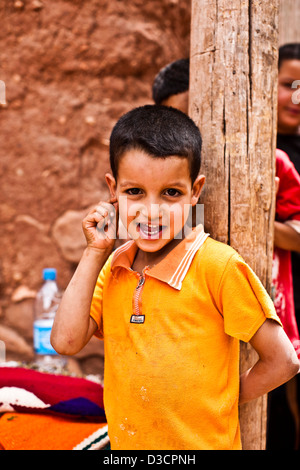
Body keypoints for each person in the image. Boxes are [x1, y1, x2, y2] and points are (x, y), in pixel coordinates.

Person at [51, 105, 299, 450]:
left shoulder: (218, 266)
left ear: (195, 191)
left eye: (171, 193)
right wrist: (95, 251)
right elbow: (65, 342)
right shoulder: (114, 268)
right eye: (134, 192)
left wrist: (219, 397)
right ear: (113, 189)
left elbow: (283, 361)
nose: (152, 212)